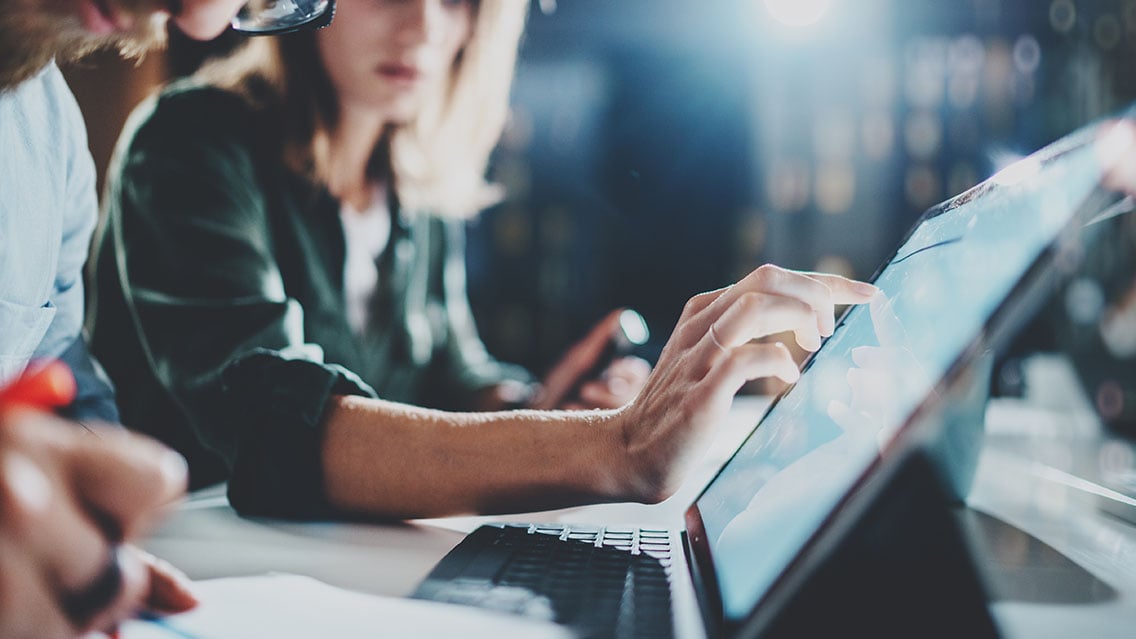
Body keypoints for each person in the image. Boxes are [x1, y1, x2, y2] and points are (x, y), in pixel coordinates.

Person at [91, 0, 879, 522]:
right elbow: (271, 423)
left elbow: (451, 374)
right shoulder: (188, 141)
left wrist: (548, 404)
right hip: (188, 579)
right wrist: (616, 445)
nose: (425, 27)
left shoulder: (411, 189)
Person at [0, 0, 333, 635]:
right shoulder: (189, 140)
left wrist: (91, 532)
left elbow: (65, 381)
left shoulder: (51, 137)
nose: (202, 19)